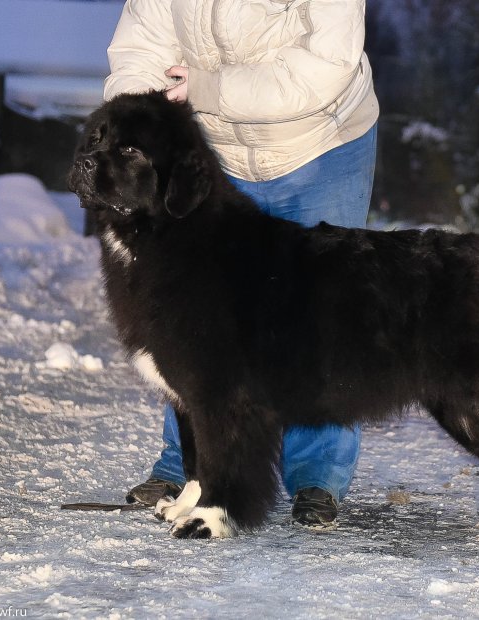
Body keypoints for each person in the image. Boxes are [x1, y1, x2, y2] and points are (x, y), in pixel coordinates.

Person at [103, 0, 379, 527]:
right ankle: (190, 467)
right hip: (216, 149)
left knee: (317, 318)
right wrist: (144, 119)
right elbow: (141, 45)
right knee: (190, 315)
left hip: (320, 145)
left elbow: (323, 67)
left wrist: (208, 89)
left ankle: (315, 474)